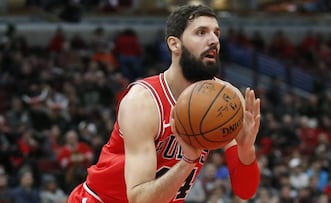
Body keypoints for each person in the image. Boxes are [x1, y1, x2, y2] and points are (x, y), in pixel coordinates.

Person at [68, 4, 261, 203]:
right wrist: (188, 161)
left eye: (216, 33)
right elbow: (138, 199)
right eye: (201, 32)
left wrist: (246, 150)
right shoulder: (143, 102)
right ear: (174, 44)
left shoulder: (225, 98)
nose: (213, 40)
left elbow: (245, 192)